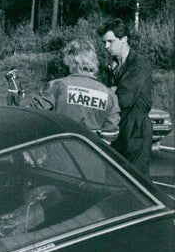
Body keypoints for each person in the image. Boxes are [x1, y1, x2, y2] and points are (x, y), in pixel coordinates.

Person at [30, 41, 120, 140]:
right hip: (90, 150)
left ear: (69, 61)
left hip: (58, 146)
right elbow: (111, 132)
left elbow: (32, 115)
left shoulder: (56, 86)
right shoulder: (109, 94)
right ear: (93, 60)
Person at [100, 19, 153, 176]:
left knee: (136, 183)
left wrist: (110, 91)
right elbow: (106, 95)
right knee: (115, 180)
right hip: (117, 129)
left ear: (124, 40)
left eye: (110, 41)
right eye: (104, 42)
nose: (106, 46)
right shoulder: (112, 67)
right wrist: (113, 89)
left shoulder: (139, 64)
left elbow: (123, 99)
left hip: (135, 131)